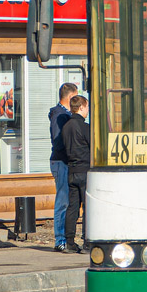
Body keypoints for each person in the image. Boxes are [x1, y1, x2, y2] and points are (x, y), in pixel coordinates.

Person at [48, 81, 79, 252]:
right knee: (62, 201)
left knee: (68, 201)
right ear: (70, 96)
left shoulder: (64, 114)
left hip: (65, 162)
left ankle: (66, 238)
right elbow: (58, 139)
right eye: (76, 96)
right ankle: (60, 240)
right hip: (61, 162)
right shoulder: (59, 115)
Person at [61, 95, 91, 254]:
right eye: (86, 107)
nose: (88, 111)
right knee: (88, 208)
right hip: (85, 171)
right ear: (81, 107)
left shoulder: (66, 127)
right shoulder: (85, 128)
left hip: (71, 171)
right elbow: (94, 148)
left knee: (72, 207)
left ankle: (69, 242)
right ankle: (87, 242)